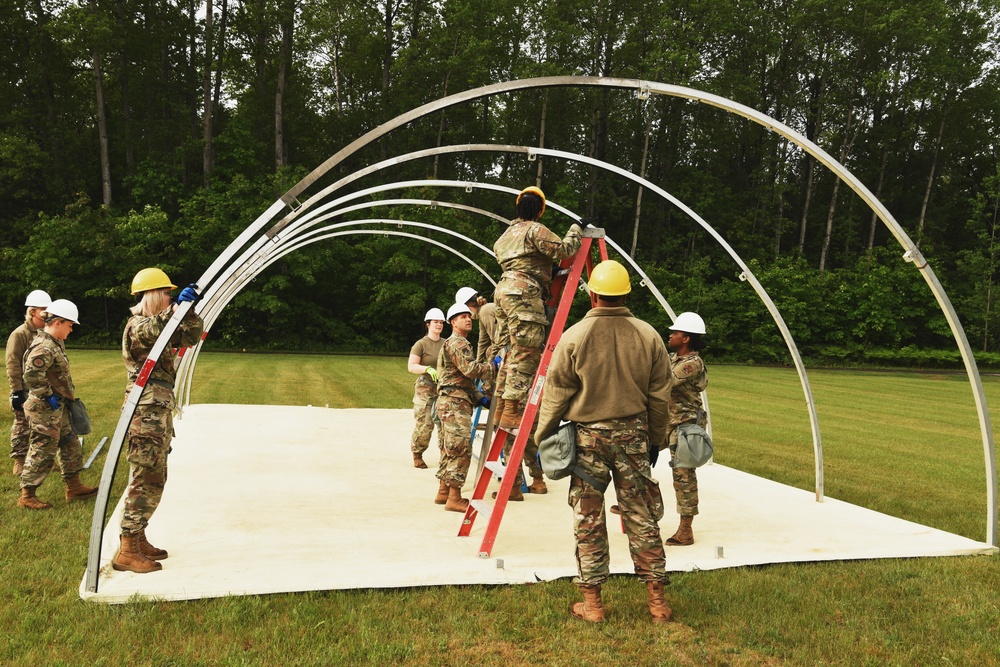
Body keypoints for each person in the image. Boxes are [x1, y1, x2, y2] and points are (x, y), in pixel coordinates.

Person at [535, 260, 673, 624]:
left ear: (592, 294)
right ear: (625, 293)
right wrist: (655, 440)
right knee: (642, 515)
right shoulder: (648, 335)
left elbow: (557, 392)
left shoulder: (575, 336)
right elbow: (660, 396)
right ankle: (657, 602)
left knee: (589, 519)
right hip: (634, 437)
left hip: (588, 442)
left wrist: (542, 435)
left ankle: (593, 604)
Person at [113, 268, 203, 574]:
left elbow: (190, 335)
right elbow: (155, 329)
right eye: (166, 293)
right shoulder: (137, 326)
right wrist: (177, 309)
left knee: (154, 477)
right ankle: (127, 549)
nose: (170, 297)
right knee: (144, 478)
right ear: (152, 296)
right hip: (145, 414)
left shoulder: (162, 325)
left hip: (156, 411)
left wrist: (188, 311)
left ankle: (137, 538)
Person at [493, 186, 582, 432]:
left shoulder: (505, 236)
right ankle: (511, 409)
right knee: (527, 351)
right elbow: (564, 250)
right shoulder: (535, 230)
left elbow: (524, 260)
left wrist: (542, 270)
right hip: (524, 294)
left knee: (510, 350)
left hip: (503, 290)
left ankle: (501, 405)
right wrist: (577, 228)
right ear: (539, 210)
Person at [17, 299, 98, 509]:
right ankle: (27, 495)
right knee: (43, 450)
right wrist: (46, 394)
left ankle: (74, 487)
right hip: (44, 409)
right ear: (59, 322)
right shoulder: (44, 346)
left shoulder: (54, 343)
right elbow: (31, 375)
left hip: (57, 407)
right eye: (70, 325)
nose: (71, 330)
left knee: (70, 443)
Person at [434, 302, 496, 512]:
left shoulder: (456, 343)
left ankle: (443, 491)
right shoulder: (457, 343)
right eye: (462, 317)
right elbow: (470, 370)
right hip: (454, 403)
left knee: (449, 448)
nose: (468, 319)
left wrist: (479, 398)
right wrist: (493, 366)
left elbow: (461, 379)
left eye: (468, 316)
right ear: (453, 322)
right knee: (460, 449)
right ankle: (454, 497)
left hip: (452, 400)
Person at [664, 311, 709, 547]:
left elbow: (664, 381)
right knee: (633, 452)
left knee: (683, 476)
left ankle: (686, 530)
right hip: (668, 421)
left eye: (675, 332)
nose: (670, 335)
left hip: (685, 425)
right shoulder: (673, 357)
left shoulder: (691, 363)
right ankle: (638, 501)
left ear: (686, 339)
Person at [7, 289, 51, 477]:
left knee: (46, 425)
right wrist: (17, 391)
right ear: (33, 311)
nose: (48, 313)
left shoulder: (48, 332)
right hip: (25, 389)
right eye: (44, 309)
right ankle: (19, 460)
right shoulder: (20, 334)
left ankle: (45, 460)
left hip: (45, 388)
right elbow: (13, 364)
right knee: (22, 425)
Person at [407, 308, 445, 469]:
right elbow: (412, 366)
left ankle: (446, 454)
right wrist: (427, 369)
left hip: (443, 387)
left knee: (445, 421)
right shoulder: (421, 344)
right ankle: (417, 453)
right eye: (435, 322)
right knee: (425, 422)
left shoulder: (446, 343)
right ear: (428, 324)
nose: (439, 325)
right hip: (426, 387)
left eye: (441, 322)